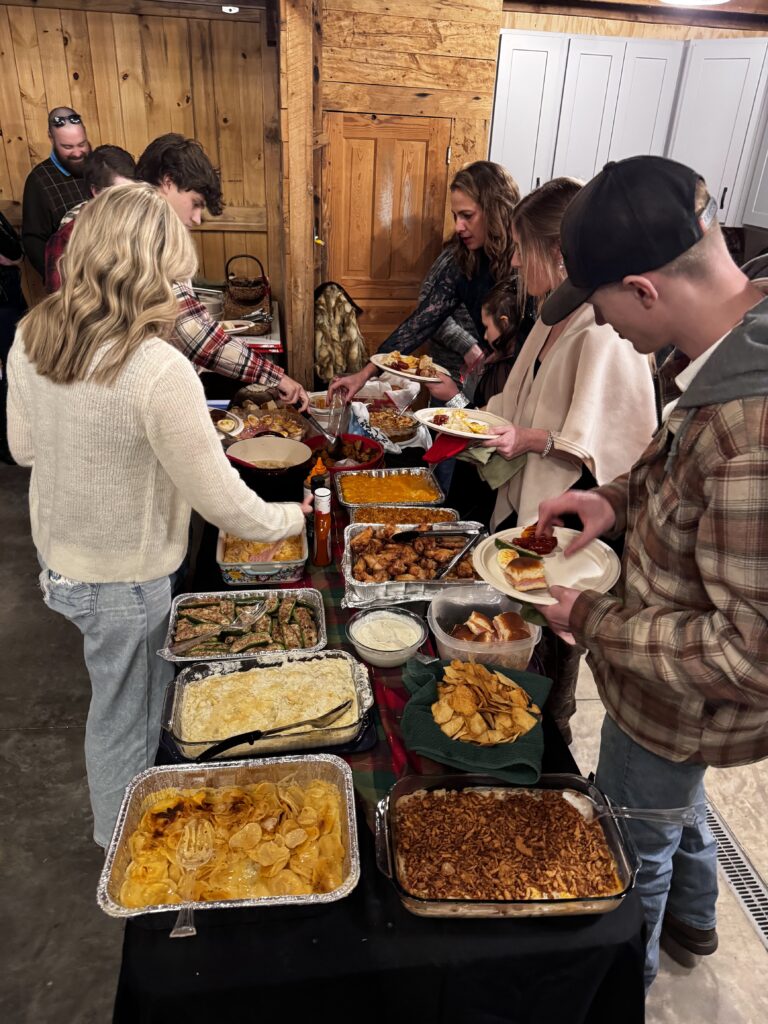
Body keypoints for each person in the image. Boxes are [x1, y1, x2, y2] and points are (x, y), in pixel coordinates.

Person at [7, 183, 313, 848]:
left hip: (62, 565)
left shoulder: (31, 335)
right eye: (178, 278)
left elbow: (24, 448)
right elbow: (221, 501)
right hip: (126, 578)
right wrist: (293, 517)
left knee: (116, 701)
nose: (183, 293)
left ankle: (133, 832)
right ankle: (128, 851)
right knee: (128, 717)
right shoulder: (156, 368)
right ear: (151, 272)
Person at [534, 155, 768, 989]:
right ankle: (698, 922)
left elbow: (749, 654)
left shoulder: (751, 428)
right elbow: (681, 478)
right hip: (675, 709)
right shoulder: (727, 349)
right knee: (675, 799)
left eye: (599, 307)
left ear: (642, 289)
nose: (601, 325)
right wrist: (612, 500)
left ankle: (619, 992)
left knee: (631, 859)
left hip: (676, 699)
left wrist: (592, 620)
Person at [329, 161, 535, 403]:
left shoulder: (528, 262)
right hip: (485, 380)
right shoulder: (463, 259)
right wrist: (364, 375)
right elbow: (420, 324)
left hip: (524, 387)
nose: (458, 226)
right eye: (455, 216)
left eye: (467, 216)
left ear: (495, 210)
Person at [136, 133, 308, 410]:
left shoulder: (123, 222)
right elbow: (194, 335)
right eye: (195, 203)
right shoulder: (150, 236)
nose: (196, 219)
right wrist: (276, 376)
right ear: (167, 182)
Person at [44, 144, 137, 292]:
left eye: (134, 193)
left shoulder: (142, 224)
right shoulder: (66, 239)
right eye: (120, 194)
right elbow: (60, 299)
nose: (129, 202)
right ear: (96, 191)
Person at [22, 107, 92, 278]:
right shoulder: (39, 181)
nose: (77, 153)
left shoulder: (99, 165)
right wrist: (60, 281)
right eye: (67, 147)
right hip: (74, 281)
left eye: (82, 144)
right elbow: (34, 241)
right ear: (51, 138)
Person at [0, 212, 26, 463]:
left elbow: (16, 254)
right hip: (4, 303)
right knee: (11, 364)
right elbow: (14, 253)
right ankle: (6, 440)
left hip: (7, 301)